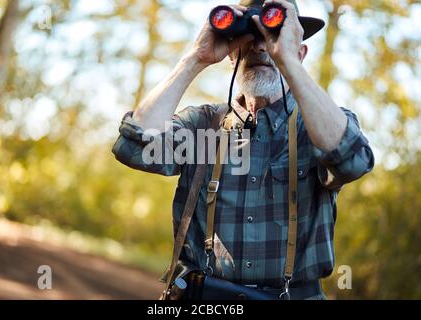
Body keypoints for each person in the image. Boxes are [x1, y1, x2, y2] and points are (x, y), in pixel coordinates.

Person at [112, 0, 374, 300]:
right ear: (232, 51)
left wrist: (287, 62)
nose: (261, 48)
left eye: (273, 38)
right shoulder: (203, 126)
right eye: (250, 37)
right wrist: (195, 58)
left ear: (300, 53)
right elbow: (133, 147)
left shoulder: (318, 127)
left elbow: (353, 161)